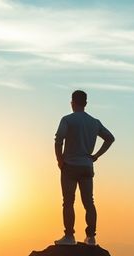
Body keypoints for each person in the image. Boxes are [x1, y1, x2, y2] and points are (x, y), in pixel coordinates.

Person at [53, 90, 114, 246]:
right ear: (85, 103)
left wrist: (60, 161)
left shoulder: (67, 120)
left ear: (72, 102)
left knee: (68, 202)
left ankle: (69, 236)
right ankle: (91, 237)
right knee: (89, 202)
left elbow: (58, 140)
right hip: (87, 166)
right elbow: (110, 138)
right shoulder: (94, 122)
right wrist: (96, 155)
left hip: (70, 166)